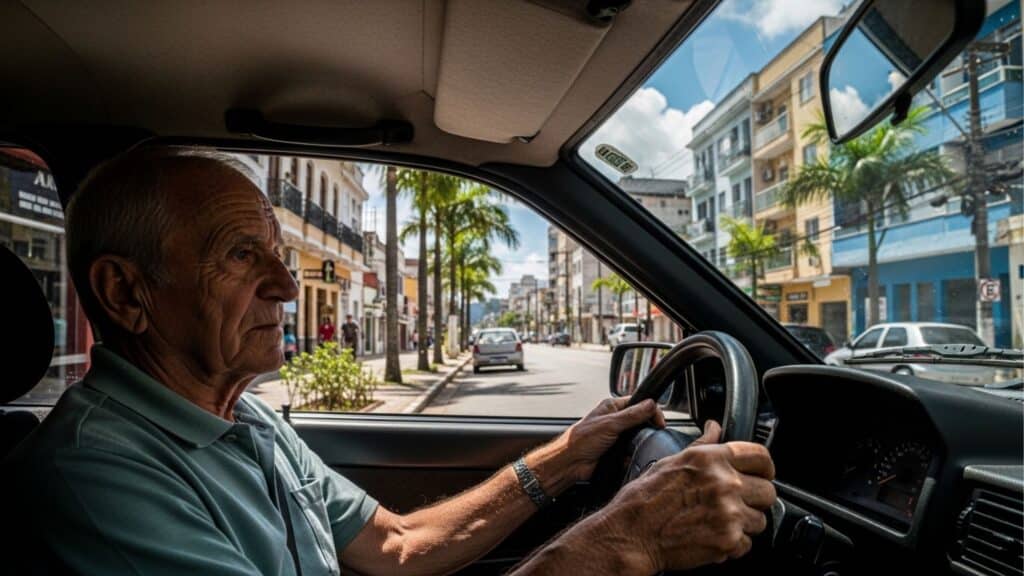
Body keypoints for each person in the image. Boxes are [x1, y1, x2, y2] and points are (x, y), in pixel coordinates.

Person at [4, 148, 775, 575]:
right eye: (241, 256)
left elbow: (396, 543)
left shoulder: (247, 421)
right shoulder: (96, 476)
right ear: (127, 292)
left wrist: (569, 456)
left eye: (278, 255)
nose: (285, 286)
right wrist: (624, 539)